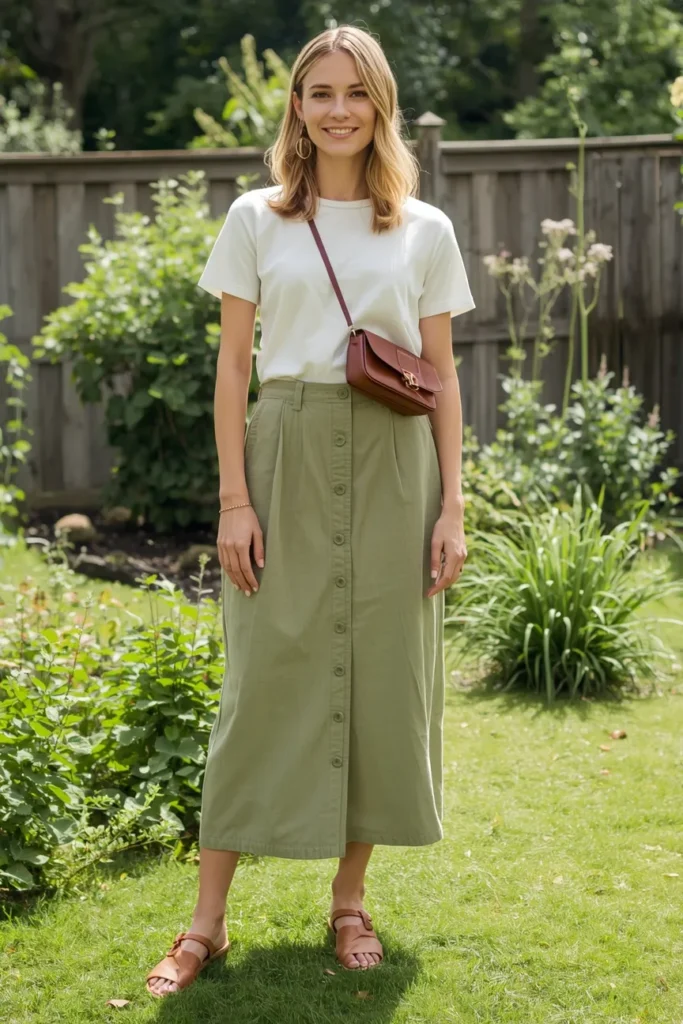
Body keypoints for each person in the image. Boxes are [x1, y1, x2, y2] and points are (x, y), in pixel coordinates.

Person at [145, 23, 474, 998]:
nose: (336, 110)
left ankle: (349, 898)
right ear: (295, 105)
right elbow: (234, 368)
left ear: (380, 107)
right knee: (260, 674)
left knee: (380, 672)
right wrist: (233, 498)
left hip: (391, 460)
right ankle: (206, 921)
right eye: (318, 92)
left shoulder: (421, 228)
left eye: (355, 93)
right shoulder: (255, 217)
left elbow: (444, 377)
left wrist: (452, 506)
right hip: (283, 448)